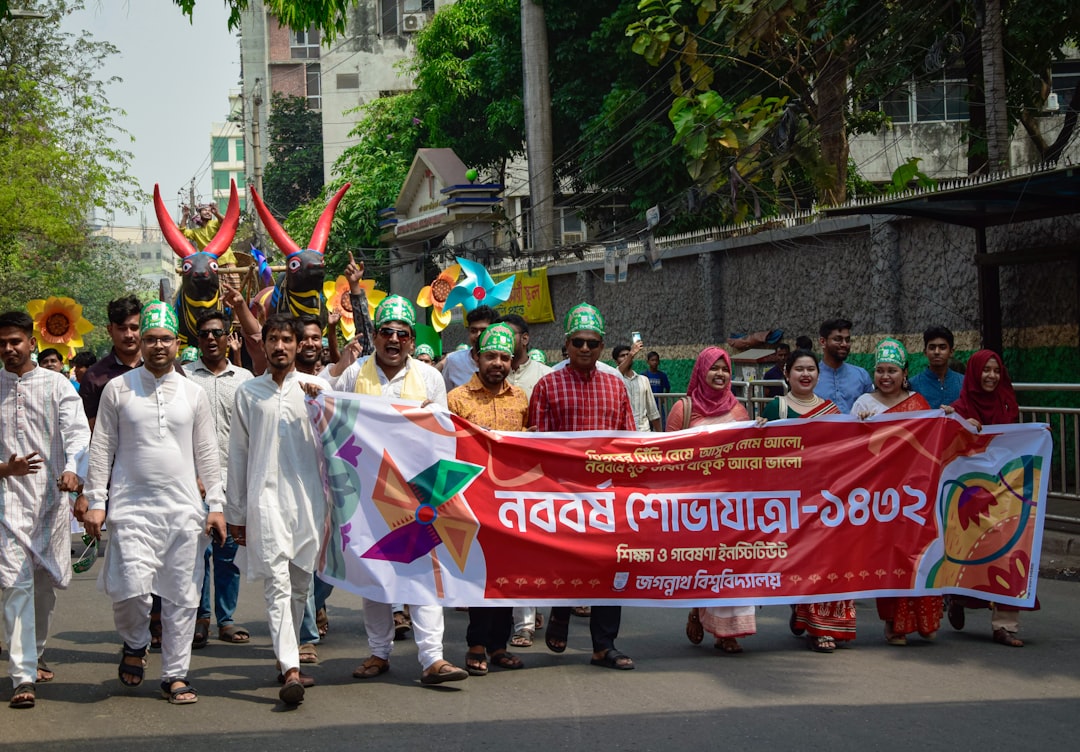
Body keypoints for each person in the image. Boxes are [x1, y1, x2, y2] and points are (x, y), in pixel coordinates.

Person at [83, 301, 226, 705]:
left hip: (183, 510)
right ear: (141, 344)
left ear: (178, 344)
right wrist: (97, 500)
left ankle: (176, 675)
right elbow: (102, 448)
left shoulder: (193, 393)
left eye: (165, 339)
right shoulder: (118, 389)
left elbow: (207, 452)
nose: (157, 346)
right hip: (130, 508)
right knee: (131, 591)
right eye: (150, 339)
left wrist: (215, 505)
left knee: (182, 594)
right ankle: (135, 642)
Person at [327, 295, 468, 686]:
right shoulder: (355, 373)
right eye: (385, 332)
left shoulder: (430, 378)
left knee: (424, 572)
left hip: (420, 493)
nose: (393, 339)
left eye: (401, 334)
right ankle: (378, 652)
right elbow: (330, 409)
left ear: (411, 340)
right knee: (374, 574)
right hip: (368, 493)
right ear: (374, 336)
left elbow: (445, 434)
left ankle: (433, 659)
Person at [228, 314, 330, 706]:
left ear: (298, 344)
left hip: (309, 502)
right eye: (274, 339)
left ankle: (286, 652)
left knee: (301, 584)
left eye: (288, 339)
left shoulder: (318, 388)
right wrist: (236, 512)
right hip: (264, 500)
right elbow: (237, 453)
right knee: (277, 584)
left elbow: (344, 438)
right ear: (265, 345)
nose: (281, 347)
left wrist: (319, 402)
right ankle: (289, 666)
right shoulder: (249, 393)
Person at [530, 303, 636, 670]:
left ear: (602, 345)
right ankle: (560, 611)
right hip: (563, 494)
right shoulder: (547, 385)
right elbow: (538, 445)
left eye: (593, 343)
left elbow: (629, 439)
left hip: (607, 495)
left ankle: (604, 645)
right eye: (579, 342)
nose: (586, 349)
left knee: (610, 566)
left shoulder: (615, 385)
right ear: (566, 343)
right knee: (566, 561)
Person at [0, 311, 91, 709]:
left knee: (41, 587)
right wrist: (7, 469)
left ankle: (34, 652)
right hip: (5, 503)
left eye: (15, 341)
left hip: (49, 503)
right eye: (2, 343)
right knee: (14, 585)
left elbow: (77, 432)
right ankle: (22, 676)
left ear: (31, 343)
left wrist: (73, 470)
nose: (8, 349)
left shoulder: (56, 385)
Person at [447, 323, 529, 676]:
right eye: (490, 356)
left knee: (508, 574)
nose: (497, 363)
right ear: (476, 357)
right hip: (473, 501)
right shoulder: (457, 400)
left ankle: (500, 646)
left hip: (512, 502)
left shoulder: (521, 399)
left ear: (512, 361)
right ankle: (476, 644)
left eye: (504, 357)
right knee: (479, 575)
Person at [756, 349, 847, 652]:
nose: (805, 374)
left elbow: (846, 453)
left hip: (824, 500)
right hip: (789, 501)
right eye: (799, 369)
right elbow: (760, 456)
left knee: (825, 561)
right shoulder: (776, 408)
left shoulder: (832, 412)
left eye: (810, 369)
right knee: (798, 560)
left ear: (818, 375)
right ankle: (799, 608)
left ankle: (822, 627)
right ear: (787, 374)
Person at [851, 338, 940, 646]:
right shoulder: (863, 405)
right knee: (887, 559)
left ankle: (924, 620)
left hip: (914, 495)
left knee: (918, 554)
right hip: (879, 498)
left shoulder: (920, 404)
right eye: (879, 371)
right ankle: (894, 623)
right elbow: (848, 451)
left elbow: (931, 444)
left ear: (905, 373)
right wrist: (858, 427)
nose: (885, 377)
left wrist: (946, 419)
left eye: (892, 371)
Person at [667, 347, 753, 654]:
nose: (720, 375)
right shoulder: (683, 409)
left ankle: (727, 632)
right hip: (696, 506)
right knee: (704, 565)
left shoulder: (739, 412)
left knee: (734, 565)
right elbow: (668, 457)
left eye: (725, 370)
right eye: (713, 368)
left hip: (731, 506)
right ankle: (697, 608)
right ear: (701, 371)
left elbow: (750, 456)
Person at [946, 350, 1030, 647]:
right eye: (986, 370)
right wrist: (961, 426)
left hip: (1006, 491)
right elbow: (949, 443)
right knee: (973, 557)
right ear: (974, 373)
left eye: (996, 370)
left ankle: (1005, 625)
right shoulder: (959, 407)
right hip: (971, 495)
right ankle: (957, 598)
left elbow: (1018, 440)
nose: (991, 376)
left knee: (1010, 551)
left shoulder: (1008, 402)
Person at [185, 311, 253, 650]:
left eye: (217, 333)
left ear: (229, 337)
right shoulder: (182, 378)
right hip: (193, 482)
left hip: (232, 482)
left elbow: (251, 433)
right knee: (197, 554)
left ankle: (226, 619)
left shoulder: (244, 379)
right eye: (204, 334)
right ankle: (201, 618)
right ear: (197, 340)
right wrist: (191, 474)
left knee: (228, 553)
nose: (211, 339)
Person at [494, 313, 551, 648]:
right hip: (487, 481)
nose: (499, 360)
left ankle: (526, 621)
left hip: (529, 478)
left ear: (525, 339)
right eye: (493, 351)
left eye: (509, 338)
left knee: (527, 552)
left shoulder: (543, 378)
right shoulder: (466, 394)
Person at [79, 295, 144, 431]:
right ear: (110, 330)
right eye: (122, 328)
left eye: (134, 327)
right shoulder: (94, 377)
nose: (128, 335)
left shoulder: (164, 368)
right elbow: (90, 428)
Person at [814, 318, 872, 413]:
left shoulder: (861, 375)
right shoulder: (811, 377)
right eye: (838, 339)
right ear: (823, 342)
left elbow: (871, 410)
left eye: (847, 340)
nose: (844, 344)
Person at [909, 325, 963, 409]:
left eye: (942, 347)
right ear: (925, 352)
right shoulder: (913, 385)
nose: (937, 352)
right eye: (932, 347)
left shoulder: (963, 382)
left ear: (951, 352)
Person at [613, 342, 661, 431]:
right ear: (616, 361)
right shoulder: (615, 379)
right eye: (622, 356)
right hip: (624, 433)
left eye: (628, 354)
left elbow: (653, 411)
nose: (626, 357)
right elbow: (617, 373)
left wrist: (660, 436)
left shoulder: (643, 380)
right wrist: (631, 354)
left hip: (644, 432)